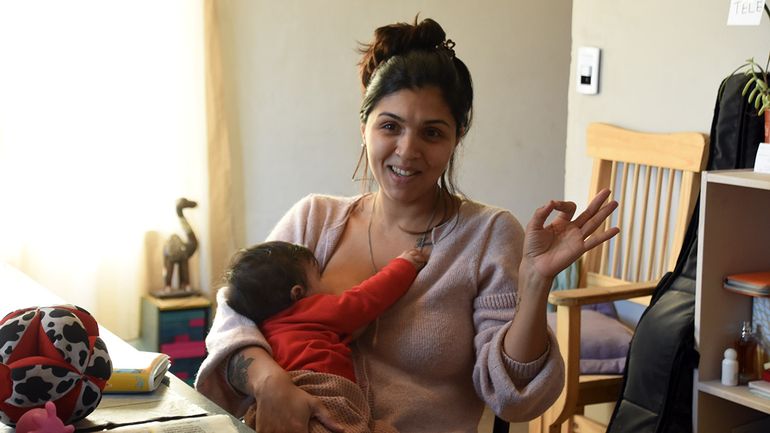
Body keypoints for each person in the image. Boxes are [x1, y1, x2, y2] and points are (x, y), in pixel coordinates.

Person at [195, 16, 619, 433]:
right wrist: (269, 381)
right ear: (364, 127)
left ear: (457, 137)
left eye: (432, 133)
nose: (407, 150)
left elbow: (514, 399)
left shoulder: (489, 235)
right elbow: (233, 317)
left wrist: (534, 285)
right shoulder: (314, 219)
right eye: (390, 127)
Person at [222, 240, 428, 432]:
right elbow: (365, 299)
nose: (327, 284)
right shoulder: (312, 308)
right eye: (319, 277)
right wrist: (404, 265)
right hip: (324, 396)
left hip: (269, 410)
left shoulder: (260, 328)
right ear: (297, 293)